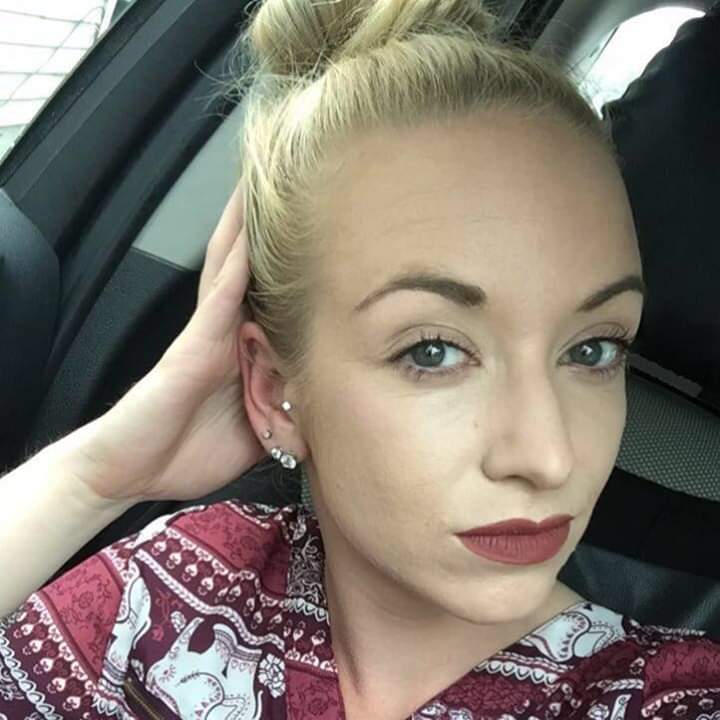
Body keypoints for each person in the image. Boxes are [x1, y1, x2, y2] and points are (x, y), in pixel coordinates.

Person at [1, 0, 720, 718]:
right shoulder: (171, 588)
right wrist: (96, 477)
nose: (549, 457)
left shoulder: (666, 696)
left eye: (593, 350)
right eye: (434, 351)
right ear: (275, 387)